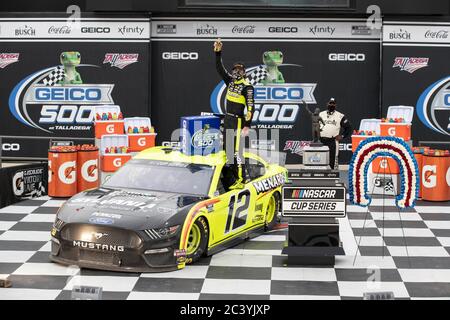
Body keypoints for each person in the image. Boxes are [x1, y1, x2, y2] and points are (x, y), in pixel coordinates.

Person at [214, 38, 255, 189]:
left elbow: (251, 107)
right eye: (235, 69)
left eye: (240, 70)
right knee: (227, 150)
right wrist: (218, 53)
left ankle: (242, 179)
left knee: (236, 151)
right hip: (228, 118)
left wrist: (247, 125)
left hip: (238, 121)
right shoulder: (230, 81)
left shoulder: (247, 87)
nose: (237, 72)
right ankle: (232, 178)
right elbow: (219, 68)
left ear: (244, 72)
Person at [319, 98, 352, 170]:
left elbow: (349, 128)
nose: (331, 105)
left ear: (335, 105)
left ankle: (333, 177)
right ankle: (320, 176)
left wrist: (342, 136)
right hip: (321, 140)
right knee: (320, 159)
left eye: (333, 103)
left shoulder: (340, 116)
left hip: (332, 141)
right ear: (327, 104)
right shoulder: (321, 114)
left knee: (333, 161)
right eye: (330, 103)